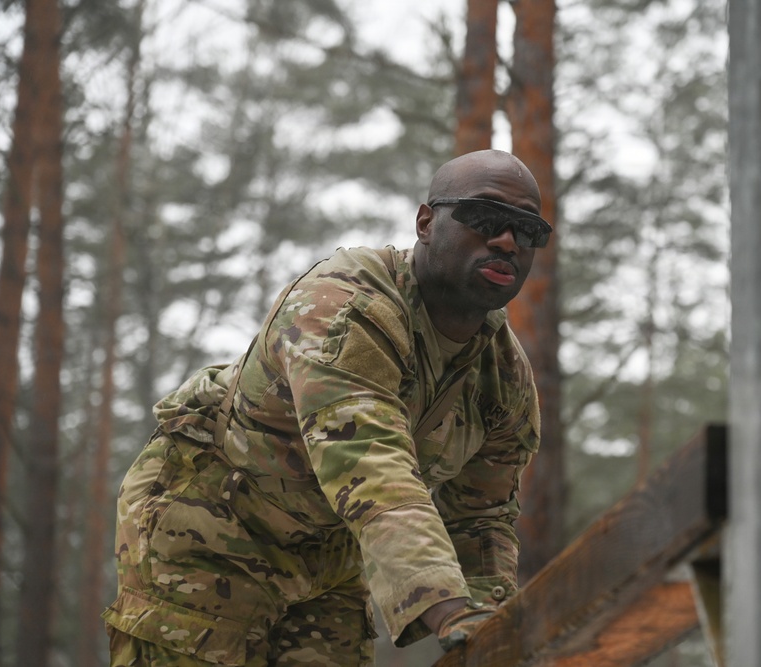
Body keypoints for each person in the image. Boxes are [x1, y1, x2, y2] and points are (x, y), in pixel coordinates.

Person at [103, 149, 551, 666]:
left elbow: (481, 517)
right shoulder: (344, 306)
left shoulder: (503, 377)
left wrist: (491, 628)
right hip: (211, 525)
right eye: (485, 218)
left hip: (328, 556)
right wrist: (449, 610)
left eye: (527, 230)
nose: (506, 242)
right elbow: (370, 465)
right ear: (426, 223)